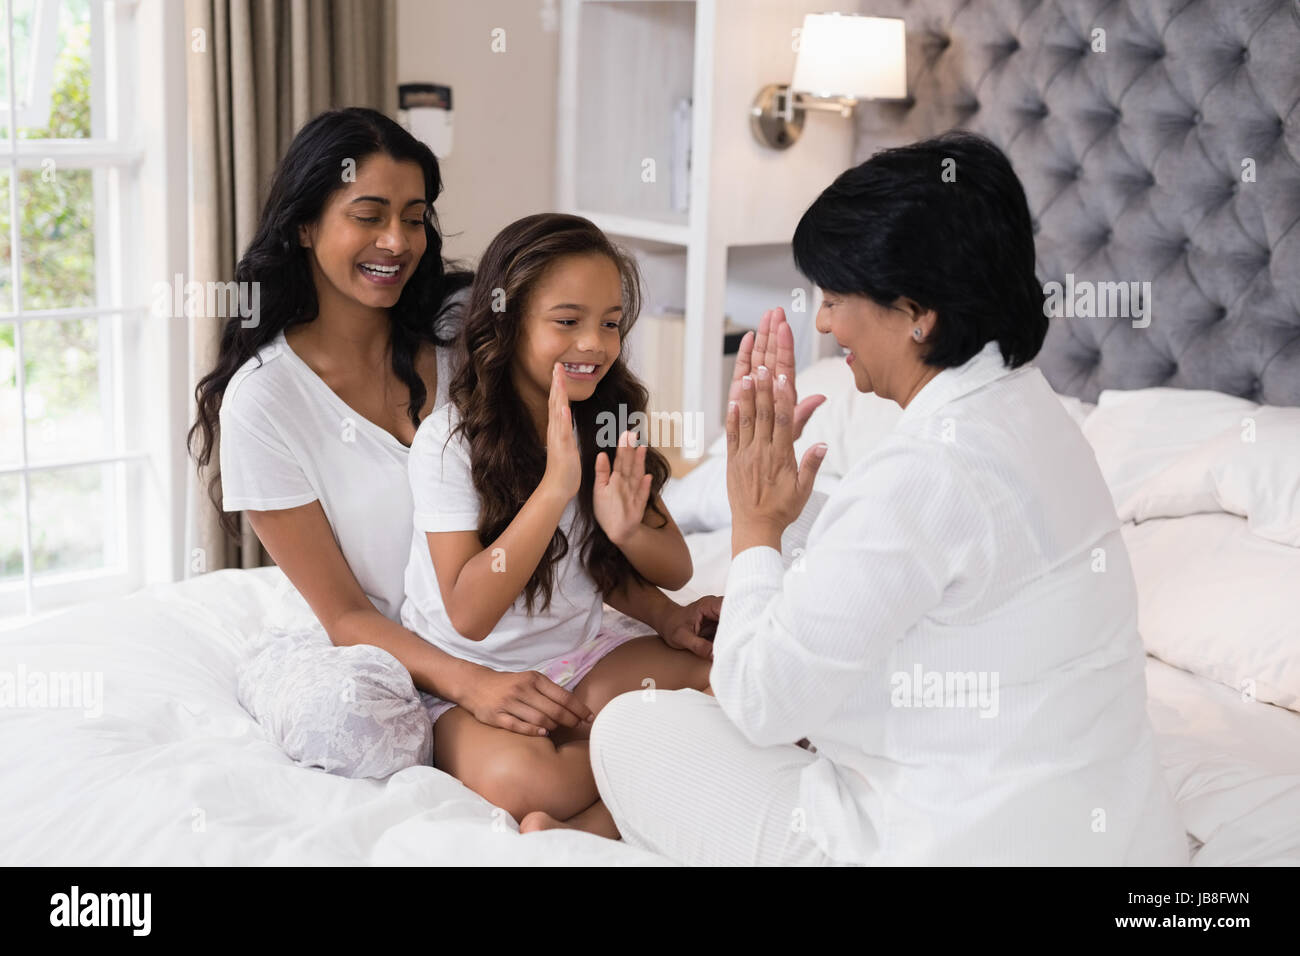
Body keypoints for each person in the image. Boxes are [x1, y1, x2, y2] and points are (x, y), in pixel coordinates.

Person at [579, 131, 1189, 865]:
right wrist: (785, 530)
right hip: (1117, 838)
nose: (825, 324)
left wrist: (754, 525)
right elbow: (901, 596)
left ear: (914, 313)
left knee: (631, 729)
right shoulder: (1036, 412)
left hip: (945, 844)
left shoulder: (924, 470)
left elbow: (758, 700)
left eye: (836, 298)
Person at [189, 108, 590, 776]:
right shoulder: (264, 401)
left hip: (512, 623)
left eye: (414, 216)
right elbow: (345, 614)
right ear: (305, 225)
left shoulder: (468, 333)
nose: (397, 241)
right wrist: (470, 684)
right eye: (369, 215)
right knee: (355, 726)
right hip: (377, 646)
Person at [401, 212, 722, 828]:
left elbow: (673, 568)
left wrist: (635, 549)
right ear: (508, 322)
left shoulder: (604, 419)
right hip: (478, 679)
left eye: (610, 324)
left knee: (733, 685)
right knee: (528, 783)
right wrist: (553, 491)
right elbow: (469, 613)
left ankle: (581, 832)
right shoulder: (449, 442)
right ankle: (636, 781)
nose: (595, 345)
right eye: (567, 322)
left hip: (587, 657)